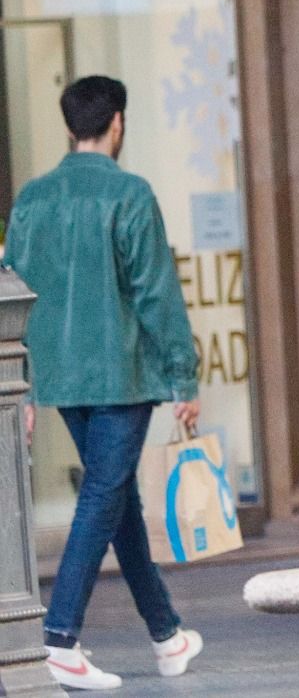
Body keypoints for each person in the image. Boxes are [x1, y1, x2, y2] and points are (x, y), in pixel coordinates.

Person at [3, 76, 204, 690]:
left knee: (117, 503)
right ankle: (59, 638)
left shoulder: (33, 199)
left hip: (61, 376)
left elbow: (16, 293)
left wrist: (27, 384)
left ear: (70, 126)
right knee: (104, 497)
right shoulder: (131, 194)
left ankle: (167, 636)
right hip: (122, 374)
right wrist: (184, 378)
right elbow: (154, 292)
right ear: (118, 122)